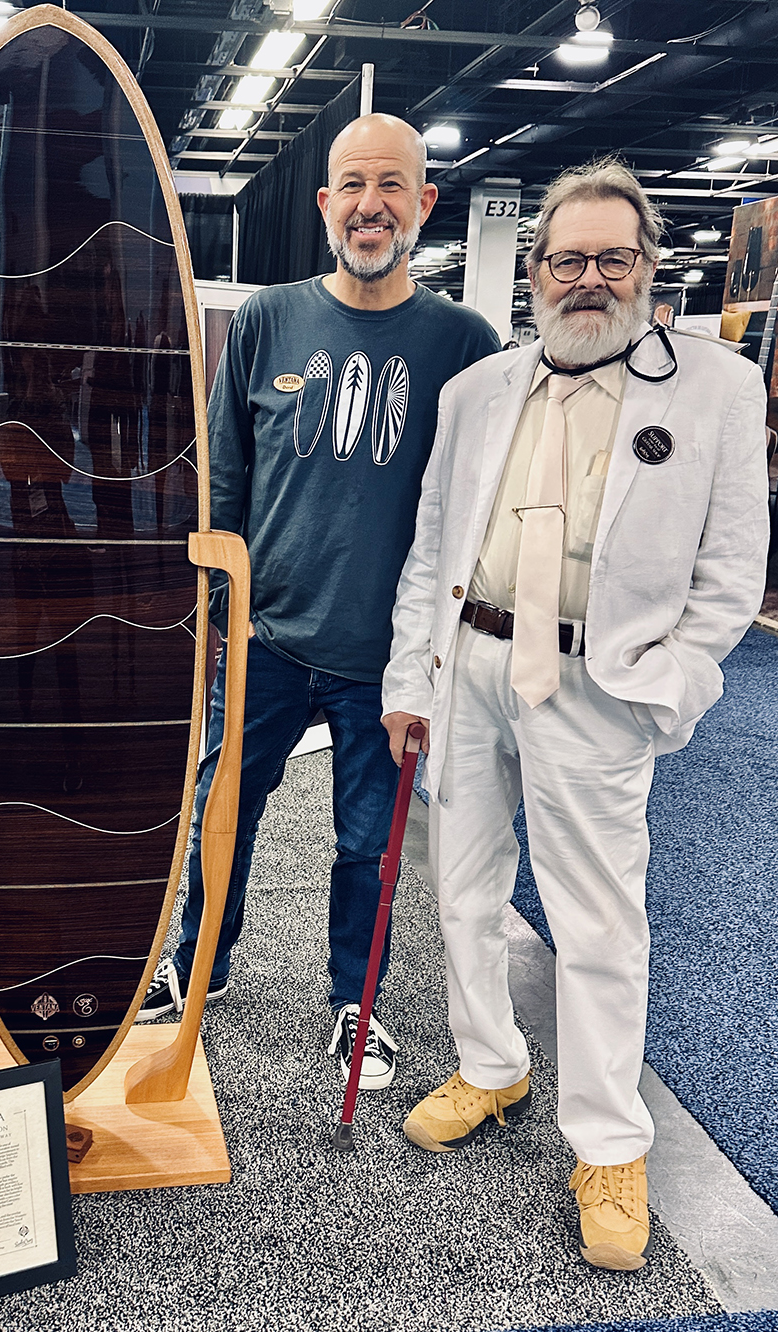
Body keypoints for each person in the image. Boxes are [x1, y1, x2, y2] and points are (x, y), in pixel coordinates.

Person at [382, 159, 768, 1269]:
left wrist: (677, 684)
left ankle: (608, 1142)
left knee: (597, 919)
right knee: (460, 888)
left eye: (614, 257)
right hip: (473, 664)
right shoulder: (478, 393)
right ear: (536, 270)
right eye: (567, 258)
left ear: (649, 267)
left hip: (600, 685)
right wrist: (411, 680)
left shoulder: (717, 389)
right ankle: (490, 1066)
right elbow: (430, 553)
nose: (588, 279)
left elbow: (734, 570)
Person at [134, 113, 500, 1094]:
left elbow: (476, 505)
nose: (370, 204)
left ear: (424, 204)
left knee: (365, 843)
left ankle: (357, 1001)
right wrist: (215, 615)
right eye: (352, 185)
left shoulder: (466, 343)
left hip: (389, 656)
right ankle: (194, 963)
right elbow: (224, 483)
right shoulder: (266, 320)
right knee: (222, 807)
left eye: (393, 185)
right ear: (325, 202)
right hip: (264, 639)